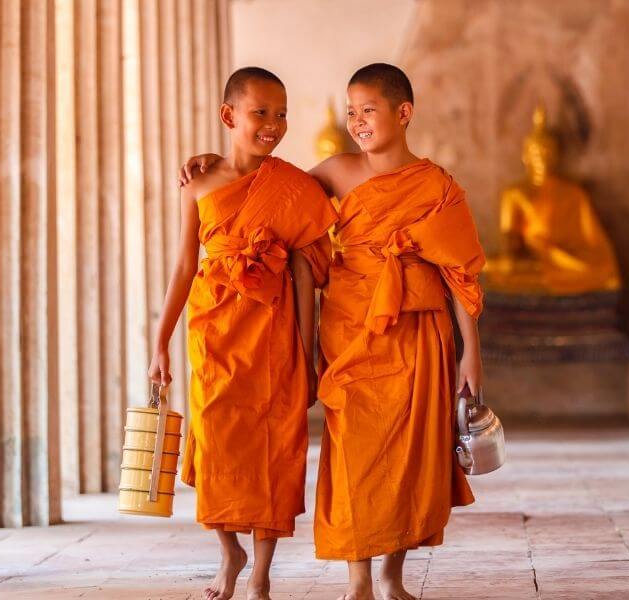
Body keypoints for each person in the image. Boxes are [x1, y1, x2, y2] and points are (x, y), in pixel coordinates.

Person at [180, 62, 486, 600]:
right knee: (351, 452)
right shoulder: (336, 172)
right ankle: (358, 581)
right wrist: (212, 162)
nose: (359, 121)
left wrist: (471, 355)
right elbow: (267, 186)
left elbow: (458, 274)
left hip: (419, 328)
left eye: (368, 110)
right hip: (350, 328)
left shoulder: (437, 186)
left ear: (403, 112)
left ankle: (390, 577)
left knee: (411, 455)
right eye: (352, 112)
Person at [150, 66, 337, 600]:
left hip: (274, 334)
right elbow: (185, 266)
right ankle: (229, 551)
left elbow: (306, 276)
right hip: (214, 334)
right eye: (261, 113)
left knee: (276, 449)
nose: (273, 125)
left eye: (281, 114)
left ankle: (260, 573)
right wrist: (160, 340)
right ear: (229, 117)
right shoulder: (199, 183)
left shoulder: (294, 187)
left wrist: (307, 351)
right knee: (215, 443)